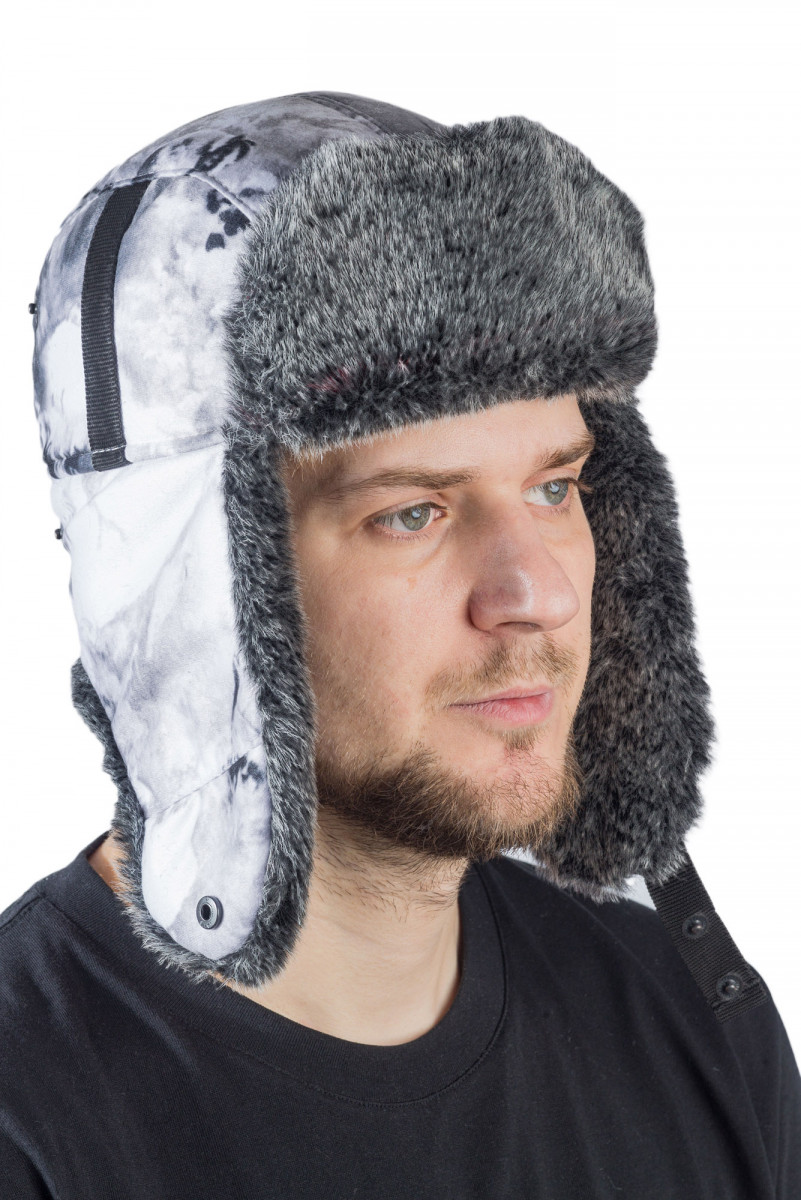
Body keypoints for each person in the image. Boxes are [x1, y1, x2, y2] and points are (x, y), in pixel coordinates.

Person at [1, 90, 799, 1198]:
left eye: (555, 487)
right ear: (193, 588)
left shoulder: (678, 1017)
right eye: (412, 512)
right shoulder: (33, 1122)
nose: (536, 595)